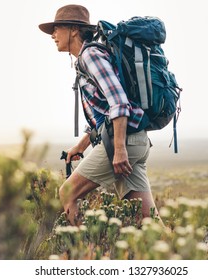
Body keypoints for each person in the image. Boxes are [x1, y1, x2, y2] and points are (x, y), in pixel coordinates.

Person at [38, 4, 161, 225]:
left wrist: (120, 149)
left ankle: (87, 253)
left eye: (57, 29)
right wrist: (82, 145)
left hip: (123, 143)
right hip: (137, 140)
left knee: (67, 193)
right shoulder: (89, 57)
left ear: (74, 30)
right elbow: (105, 113)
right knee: (148, 220)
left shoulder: (90, 55)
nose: (53, 35)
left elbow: (119, 102)